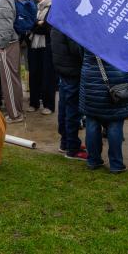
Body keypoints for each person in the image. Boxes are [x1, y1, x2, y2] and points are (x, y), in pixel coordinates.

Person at [80, 51, 128, 171]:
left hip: (91, 81)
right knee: (115, 123)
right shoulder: (121, 33)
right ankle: (116, 164)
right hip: (117, 81)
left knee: (92, 122)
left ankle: (93, 160)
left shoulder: (87, 34)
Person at [0, 0, 24, 123]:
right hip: (11, 42)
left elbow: (5, 25)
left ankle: (15, 114)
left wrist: (1, 43)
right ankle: (16, 111)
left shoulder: (3, 0)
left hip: (7, 44)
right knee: (13, 78)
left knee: (9, 79)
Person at [51, 28, 86, 159]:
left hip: (63, 68)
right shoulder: (69, 24)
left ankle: (65, 142)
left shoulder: (57, 20)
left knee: (64, 107)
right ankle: (72, 148)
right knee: (72, 110)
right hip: (72, 69)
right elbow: (76, 49)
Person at [27, 0, 56, 115]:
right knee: (34, 74)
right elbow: (31, 23)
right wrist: (36, 23)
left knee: (47, 76)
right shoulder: (39, 7)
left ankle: (48, 105)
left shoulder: (52, 7)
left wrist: (37, 24)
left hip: (47, 46)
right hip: (34, 44)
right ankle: (34, 102)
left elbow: (47, 28)